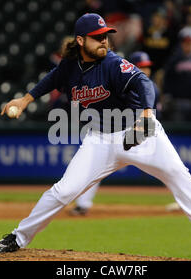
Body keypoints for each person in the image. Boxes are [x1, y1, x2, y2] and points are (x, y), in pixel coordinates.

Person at [0, 13, 191, 260]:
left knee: (178, 174)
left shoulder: (113, 63)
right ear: (81, 41)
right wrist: (26, 99)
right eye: (97, 36)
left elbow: (144, 83)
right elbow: (52, 78)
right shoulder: (70, 66)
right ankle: (18, 237)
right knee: (64, 191)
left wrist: (148, 115)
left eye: (105, 35)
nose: (104, 40)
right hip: (100, 140)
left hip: (138, 131)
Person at [69, 50, 161, 216]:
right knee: (94, 167)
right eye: (141, 67)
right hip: (118, 131)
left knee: (168, 168)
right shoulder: (120, 83)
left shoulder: (152, 88)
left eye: (147, 67)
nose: (145, 71)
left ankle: (184, 199)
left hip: (143, 131)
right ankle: (82, 204)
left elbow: (153, 114)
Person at [163, 36, 191, 122]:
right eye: (185, 44)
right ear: (182, 45)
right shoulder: (174, 60)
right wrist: (168, 93)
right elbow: (168, 78)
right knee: (178, 128)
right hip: (178, 100)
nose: (187, 46)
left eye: (189, 44)